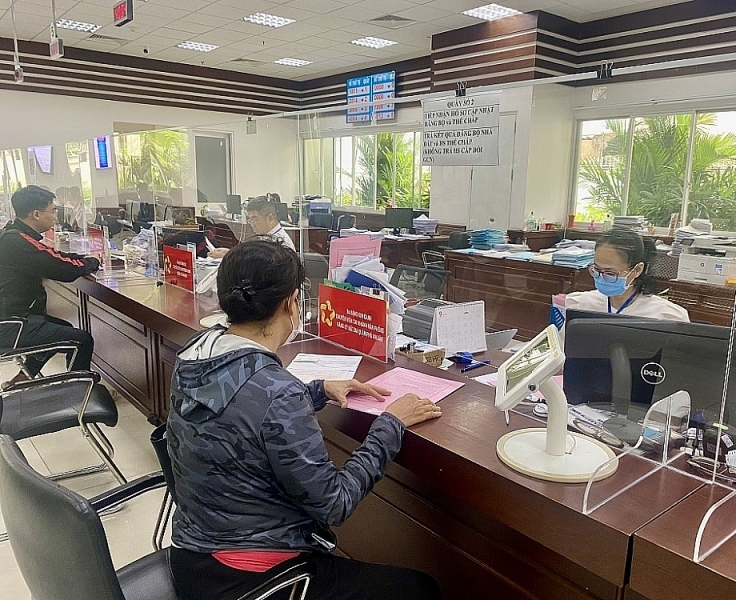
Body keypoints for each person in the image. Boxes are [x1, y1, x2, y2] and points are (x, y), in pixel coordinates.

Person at [167, 239, 442, 600]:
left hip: (192, 556)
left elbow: (239, 412)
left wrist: (317, 390)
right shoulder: (277, 391)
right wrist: (390, 424)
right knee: (420, 589)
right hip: (254, 580)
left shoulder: (194, 355)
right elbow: (334, 503)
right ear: (291, 303)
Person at [0, 185, 102, 388]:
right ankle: (79, 393)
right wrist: (92, 262)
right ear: (36, 214)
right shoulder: (16, 241)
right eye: (53, 210)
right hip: (12, 323)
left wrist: (85, 258)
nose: (56, 216)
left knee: (61, 330)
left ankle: (24, 377)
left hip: (15, 316)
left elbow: (52, 257)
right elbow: (62, 269)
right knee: (81, 340)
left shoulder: (15, 235)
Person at [566, 227, 689, 322]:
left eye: (610, 273)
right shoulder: (579, 304)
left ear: (637, 270)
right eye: (596, 270)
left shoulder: (667, 316)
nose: (601, 278)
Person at [209, 196, 294, 259]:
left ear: (270, 218)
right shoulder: (267, 237)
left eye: (255, 219)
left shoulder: (280, 243)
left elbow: (258, 263)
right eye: (250, 220)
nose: (252, 224)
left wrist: (229, 255)